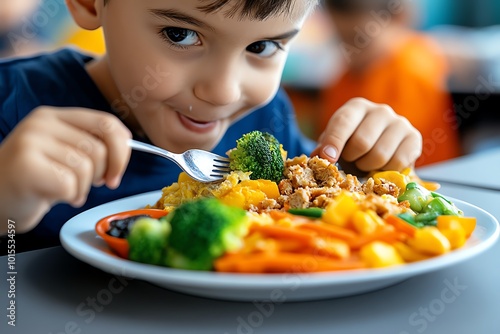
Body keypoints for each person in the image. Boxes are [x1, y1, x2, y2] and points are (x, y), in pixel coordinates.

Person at [0, 0, 422, 252]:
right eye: (181, 34)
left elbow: (312, 209)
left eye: (262, 46)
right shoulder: (11, 103)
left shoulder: (268, 117)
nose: (223, 92)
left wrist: (364, 169)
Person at [319, 0, 461, 167]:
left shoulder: (411, 69)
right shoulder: (345, 76)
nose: (351, 51)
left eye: (361, 39)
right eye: (341, 40)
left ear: (399, 19)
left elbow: (396, 151)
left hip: (424, 178)